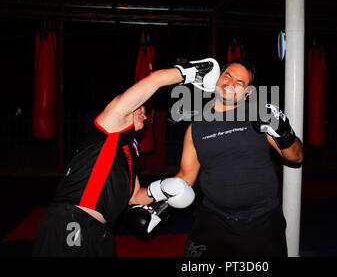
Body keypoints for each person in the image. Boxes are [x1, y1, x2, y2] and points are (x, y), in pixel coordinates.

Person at [32, 58, 219, 257]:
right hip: (72, 219)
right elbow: (154, 81)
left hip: (100, 232)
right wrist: (194, 72)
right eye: (140, 109)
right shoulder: (109, 126)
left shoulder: (129, 149)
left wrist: (164, 188)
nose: (145, 115)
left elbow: (134, 196)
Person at [175, 58, 303, 257]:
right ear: (217, 79)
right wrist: (155, 200)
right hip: (213, 220)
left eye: (240, 82)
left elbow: (296, 157)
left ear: (247, 93)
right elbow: (185, 177)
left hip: (262, 222)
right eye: (228, 75)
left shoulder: (258, 116)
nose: (231, 84)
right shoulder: (196, 127)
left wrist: (282, 129)